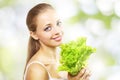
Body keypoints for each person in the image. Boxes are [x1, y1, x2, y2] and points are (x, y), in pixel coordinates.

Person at [23, 3, 91, 80]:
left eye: (58, 23)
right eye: (48, 28)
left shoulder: (65, 61)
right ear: (34, 34)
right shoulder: (36, 69)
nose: (57, 31)